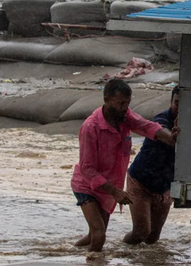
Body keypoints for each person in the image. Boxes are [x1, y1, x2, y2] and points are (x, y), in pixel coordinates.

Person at [71, 79, 178, 252]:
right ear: (106, 99)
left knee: (94, 235)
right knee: (99, 236)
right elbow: (87, 169)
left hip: (109, 187)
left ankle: (68, 253)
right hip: (87, 186)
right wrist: (115, 192)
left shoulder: (125, 117)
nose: (125, 107)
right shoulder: (90, 127)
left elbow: (147, 126)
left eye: (127, 103)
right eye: (121, 103)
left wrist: (171, 139)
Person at [124, 86, 180, 245]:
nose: (180, 108)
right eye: (177, 103)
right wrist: (174, 137)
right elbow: (163, 133)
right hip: (141, 182)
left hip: (164, 187)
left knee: (153, 238)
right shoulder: (161, 119)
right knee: (141, 232)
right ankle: (121, 255)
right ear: (171, 103)